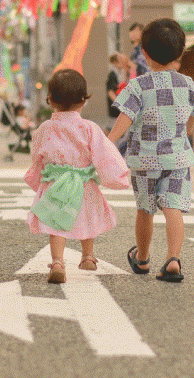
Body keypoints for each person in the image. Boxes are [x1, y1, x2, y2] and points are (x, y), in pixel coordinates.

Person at [109, 18, 194, 283]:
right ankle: (173, 259)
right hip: (177, 158)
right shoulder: (188, 85)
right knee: (172, 206)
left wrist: (108, 142)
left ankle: (142, 259)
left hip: (144, 159)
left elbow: (125, 118)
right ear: (180, 53)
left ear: (144, 53)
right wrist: (184, 132)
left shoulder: (138, 86)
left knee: (145, 209)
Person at [25, 68, 129, 284]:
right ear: (83, 101)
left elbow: (38, 156)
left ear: (51, 100)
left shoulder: (45, 128)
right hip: (84, 183)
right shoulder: (89, 128)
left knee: (56, 222)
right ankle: (88, 256)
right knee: (88, 218)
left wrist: (36, 177)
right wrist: (116, 176)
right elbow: (104, 153)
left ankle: (57, 262)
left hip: (56, 183)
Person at [106, 53, 130, 132]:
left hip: (120, 105)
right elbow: (110, 92)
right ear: (115, 63)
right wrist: (119, 104)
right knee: (113, 128)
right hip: (116, 108)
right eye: (120, 62)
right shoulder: (112, 74)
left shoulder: (121, 72)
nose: (123, 64)